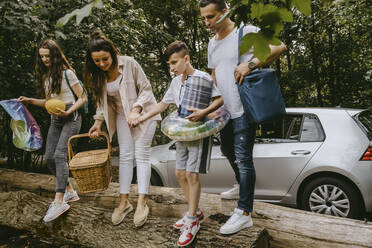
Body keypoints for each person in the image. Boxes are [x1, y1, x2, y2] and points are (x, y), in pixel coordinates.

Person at [200, 0, 287, 234]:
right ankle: (240, 185)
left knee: (243, 159)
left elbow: (279, 48)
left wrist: (250, 64)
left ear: (224, 12)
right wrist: (211, 105)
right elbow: (215, 74)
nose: (207, 23)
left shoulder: (245, 32)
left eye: (210, 17)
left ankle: (244, 212)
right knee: (228, 151)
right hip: (225, 110)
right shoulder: (211, 43)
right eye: (204, 18)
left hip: (244, 108)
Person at [138, 41, 223, 246]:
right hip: (182, 133)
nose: (172, 67)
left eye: (174, 62)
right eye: (169, 64)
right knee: (179, 174)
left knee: (192, 175)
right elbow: (163, 105)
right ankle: (196, 211)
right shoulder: (176, 82)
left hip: (198, 132)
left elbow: (220, 99)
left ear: (186, 59)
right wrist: (143, 116)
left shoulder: (203, 78)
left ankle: (192, 220)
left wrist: (203, 113)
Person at [85, 31, 161, 227]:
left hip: (144, 114)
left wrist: (136, 110)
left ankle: (142, 202)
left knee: (141, 155)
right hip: (121, 115)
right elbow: (103, 102)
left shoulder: (129, 63)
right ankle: (124, 201)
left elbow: (146, 88)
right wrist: (98, 122)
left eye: (105, 59)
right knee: (126, 156)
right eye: (97, 61)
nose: (102, 64)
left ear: (112, 53)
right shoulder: (98, 74)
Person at [18, 39, 87, 222]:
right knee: (49, 157)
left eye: (48, 56)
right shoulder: (47, 76)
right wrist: (31, 101)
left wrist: (69, 110)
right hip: (55, 119)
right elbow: (49, 102)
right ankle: (70, 192)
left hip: (71, 117)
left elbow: (82, 98)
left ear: (55, 56)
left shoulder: (68, 74)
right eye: (41, 57)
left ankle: (59, 200)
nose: (45, 60)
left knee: (59, 156)